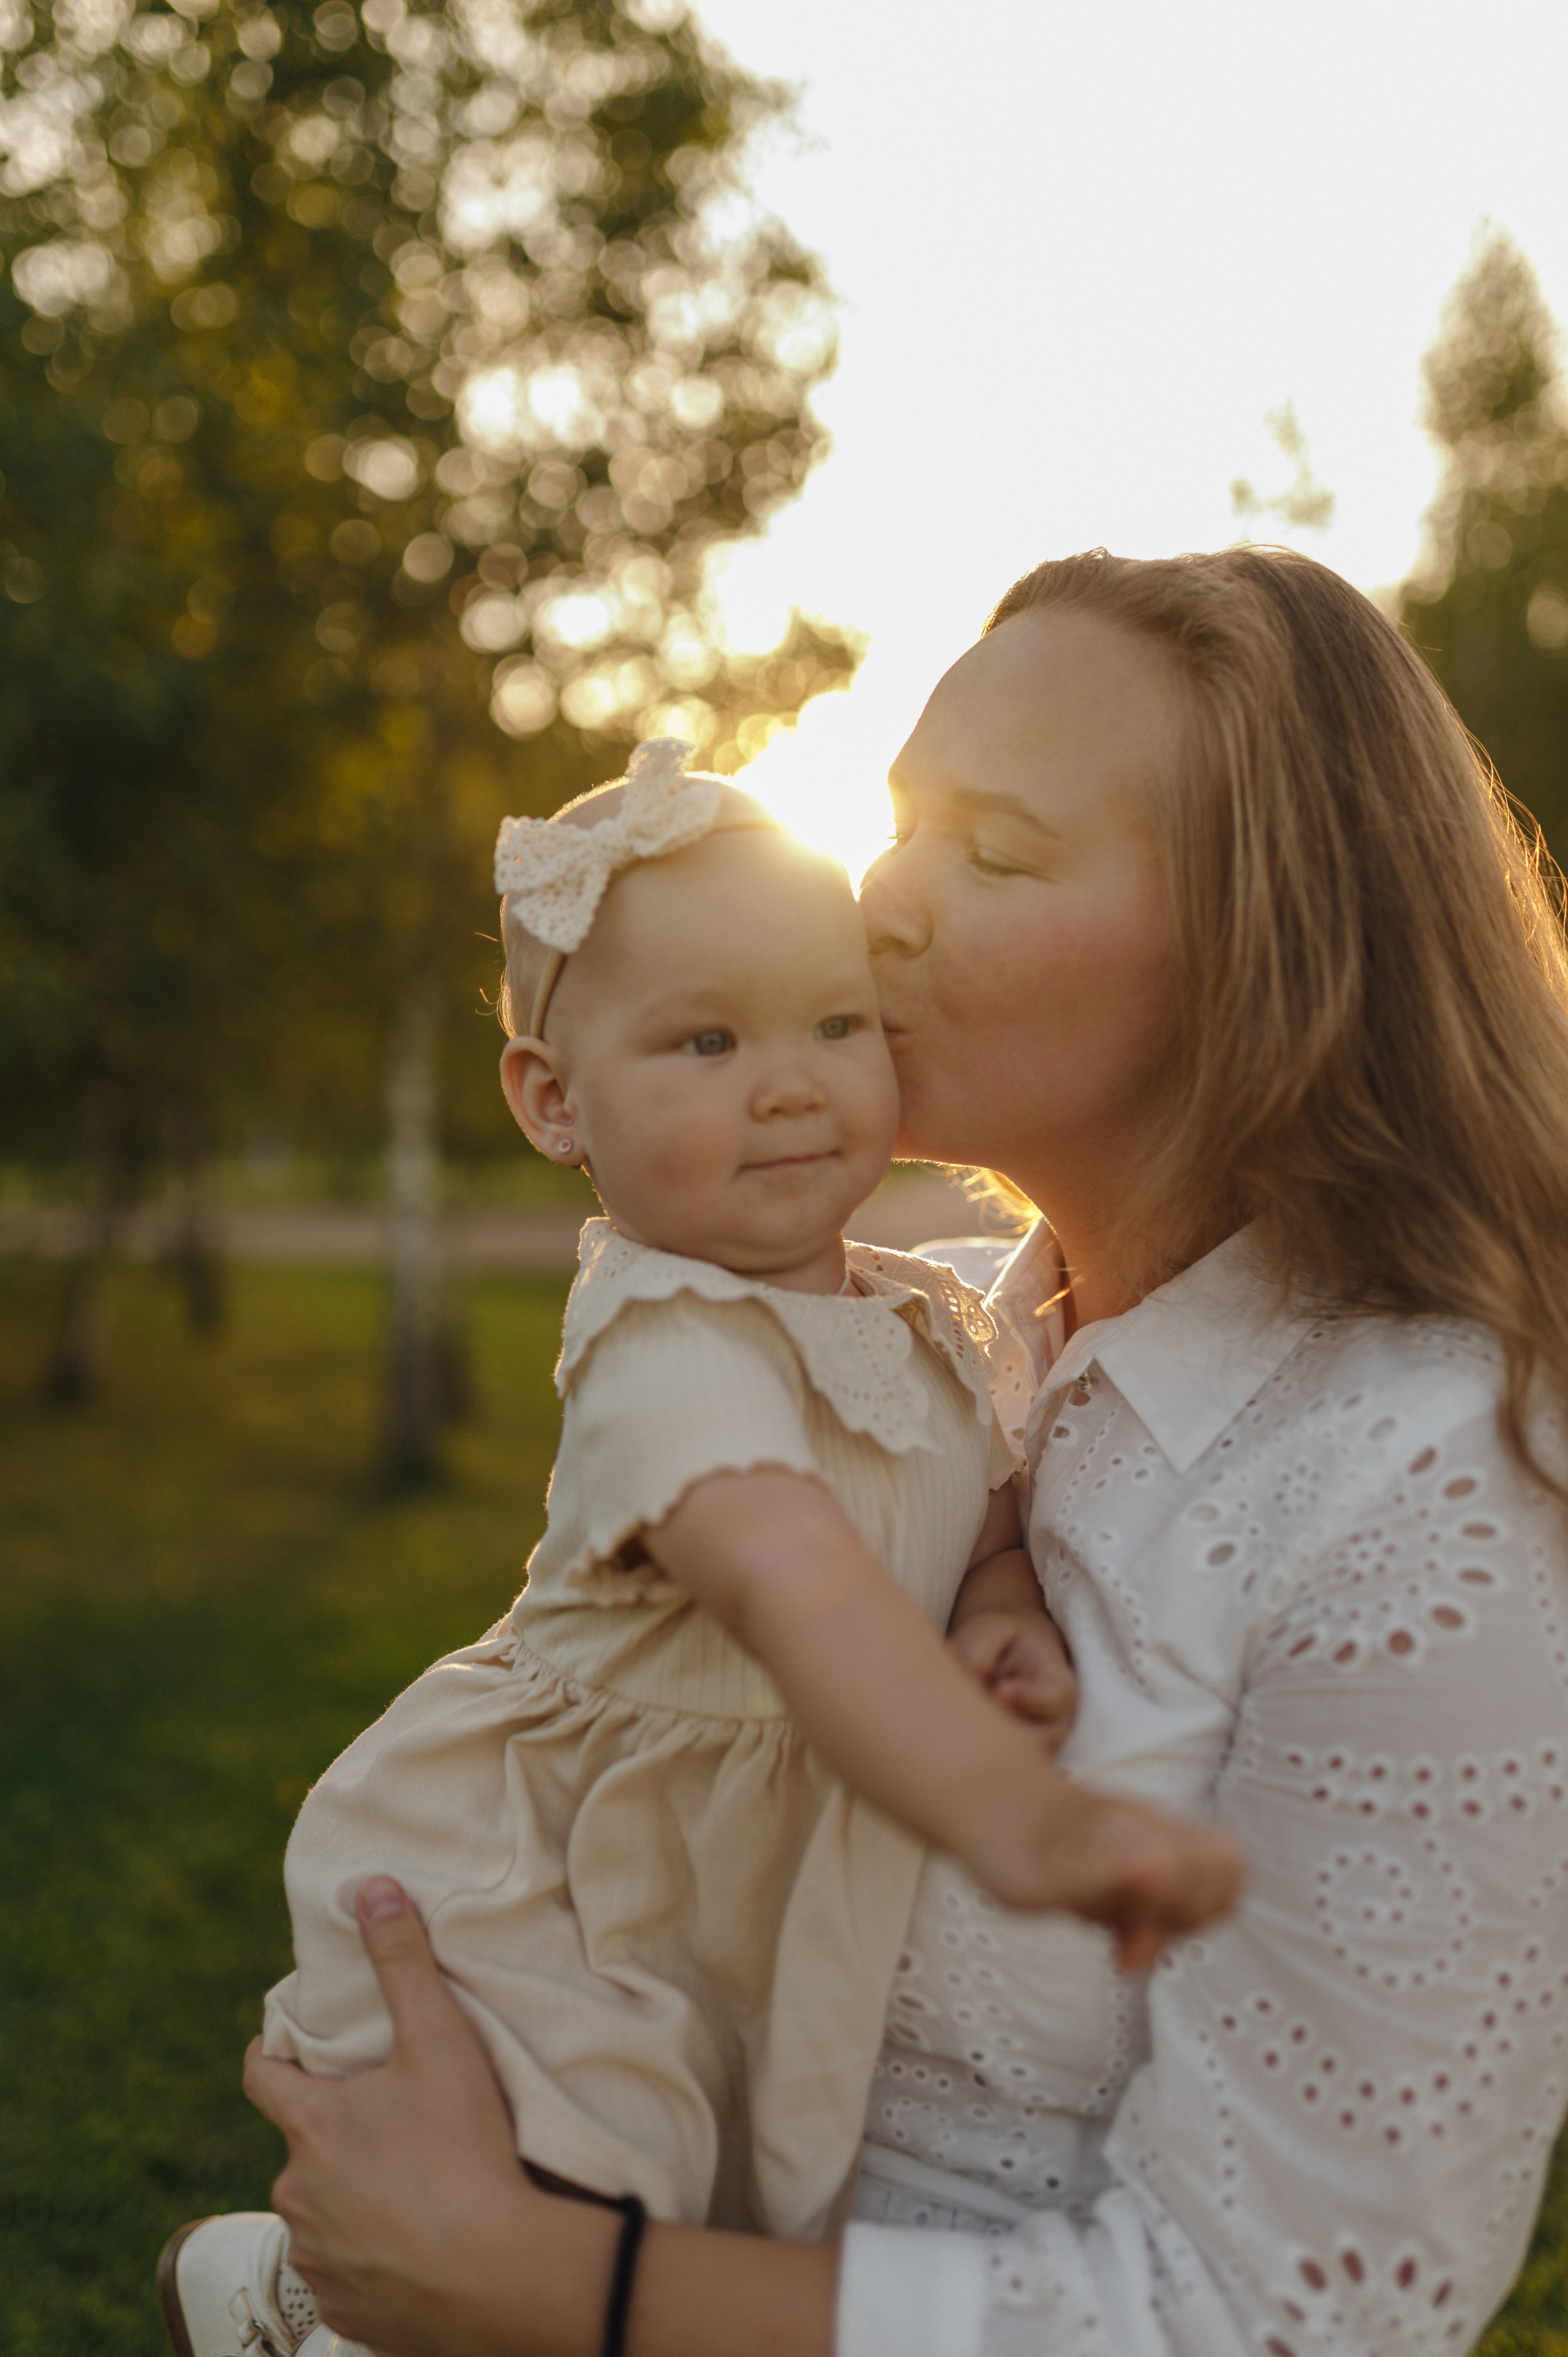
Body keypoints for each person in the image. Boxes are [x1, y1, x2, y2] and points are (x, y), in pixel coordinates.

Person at [232, 545, 1568, 2357]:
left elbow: (1279, 2326)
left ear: (1273, 953)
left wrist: (553, 2284)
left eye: (996, 856)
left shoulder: (1437, 1496)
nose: (887, 907)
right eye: (899, 827)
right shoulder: (924, 1325)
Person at [184, 739, 1235, 2350]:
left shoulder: (931, 1310)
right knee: (546, 2233)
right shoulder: (663, 1339)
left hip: (747, 1890)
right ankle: (296, 2309)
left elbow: (976, 1497)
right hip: (563, 1890)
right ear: (554, 1103)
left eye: (837, 1025)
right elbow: (789, 1569)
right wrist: (1019, 1817)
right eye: (705, 1039)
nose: (793, 1080)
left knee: (712, 2211)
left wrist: (997, 1596)